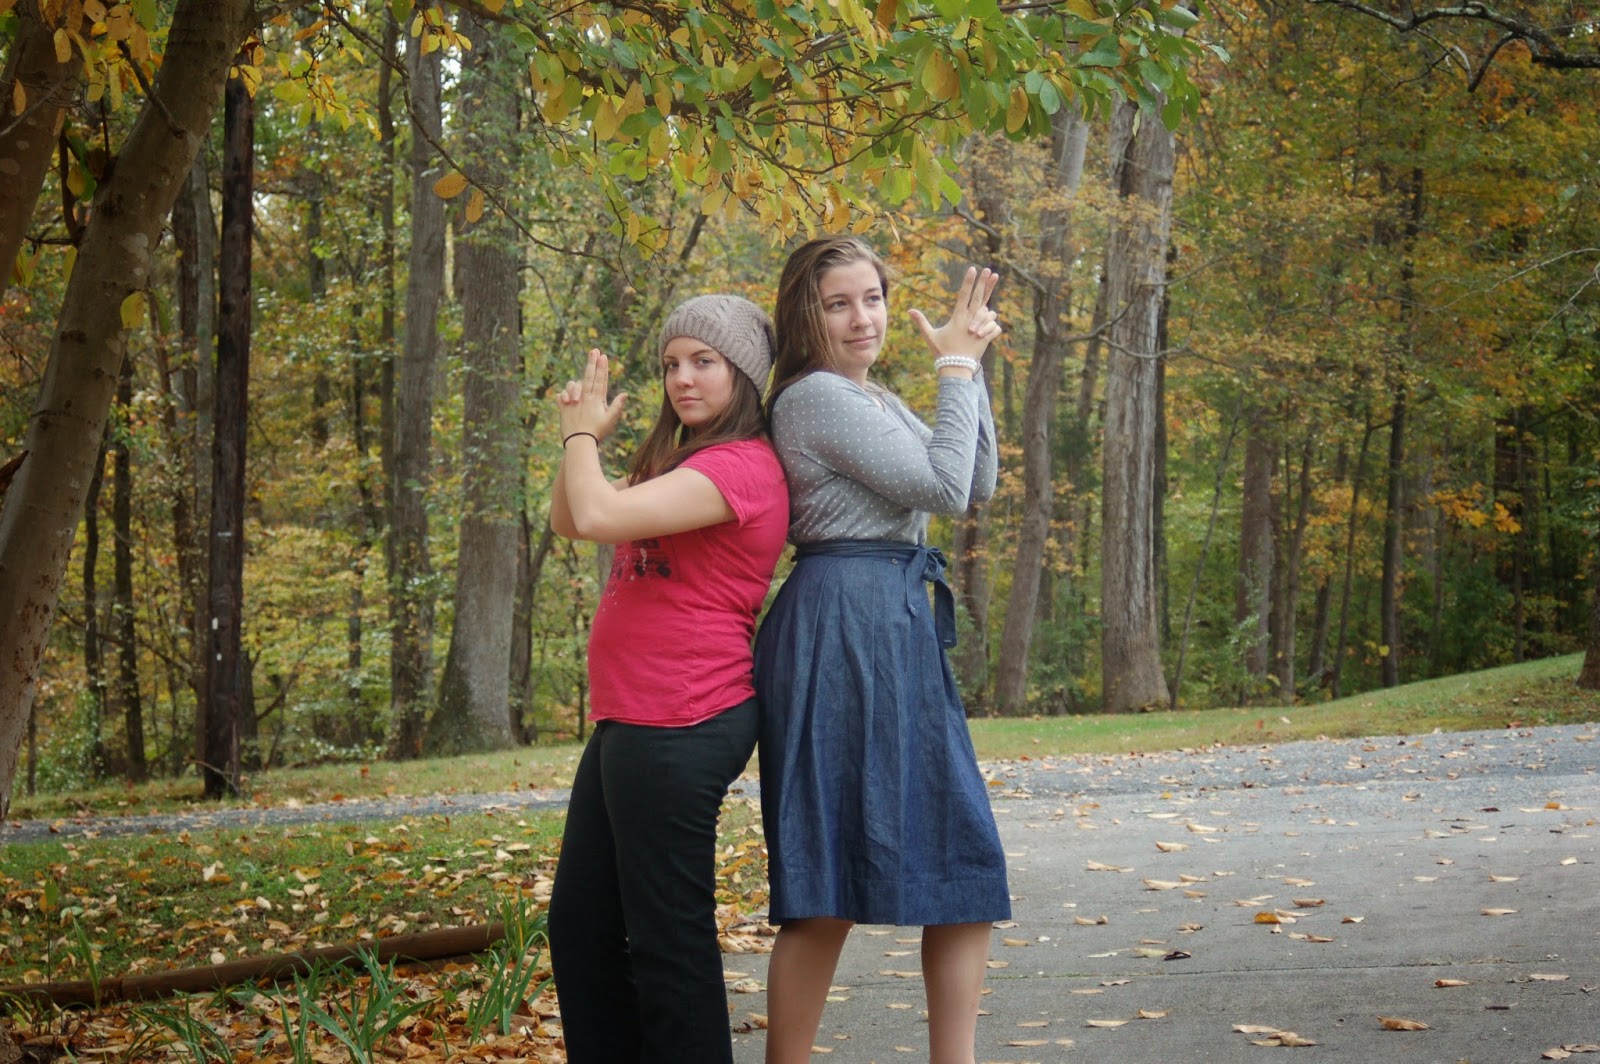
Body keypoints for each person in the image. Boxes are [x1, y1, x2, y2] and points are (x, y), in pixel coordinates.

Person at [754, 237, 1009, 1064]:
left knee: (963, 863)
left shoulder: (875, 397)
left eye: (873, 298)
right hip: (841, 626)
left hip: (895, 621)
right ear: (806, 315)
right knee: (826, 877)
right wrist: (955, 372)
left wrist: (967, 369)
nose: (863, 317)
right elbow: (942, 487)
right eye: (839, 303)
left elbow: (974, 480)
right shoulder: (813, 398)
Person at [545, 295, 788, 1064]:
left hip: (683, 715)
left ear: (742, 372)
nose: (683, 378)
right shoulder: (682, 460)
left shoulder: (741, 467)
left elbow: (597, 516)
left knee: (667, 940)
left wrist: (580, 436)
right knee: (582, 926)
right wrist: (581, 442)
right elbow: (569, 518)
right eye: (672, 363)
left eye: (703, 362)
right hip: (635, 716)